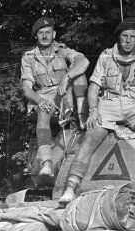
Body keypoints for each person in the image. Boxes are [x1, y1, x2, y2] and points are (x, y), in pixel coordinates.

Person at [58, 17, 135, 204]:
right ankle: (70, 187)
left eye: (132, 36)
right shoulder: (106, 55)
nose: (128, 40)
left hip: (134, 105)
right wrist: (93, 110)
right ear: (119, 37)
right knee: (90, 136)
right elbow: (94, 86)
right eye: (124, 36)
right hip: (109, 103)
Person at [21, 17, 90, 184]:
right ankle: (46, 163)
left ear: (54, 34)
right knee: (43, 114)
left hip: (66, 93)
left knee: (79, 74)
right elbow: (26, 88)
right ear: (36, 36)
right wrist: (38, 100)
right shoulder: (29, 57)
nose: (45, 36)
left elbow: (83, 61)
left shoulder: (63, 51)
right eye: (41, 33)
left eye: (48, 32)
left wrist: (67, 77)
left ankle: (82, 117)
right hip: (44, 95)